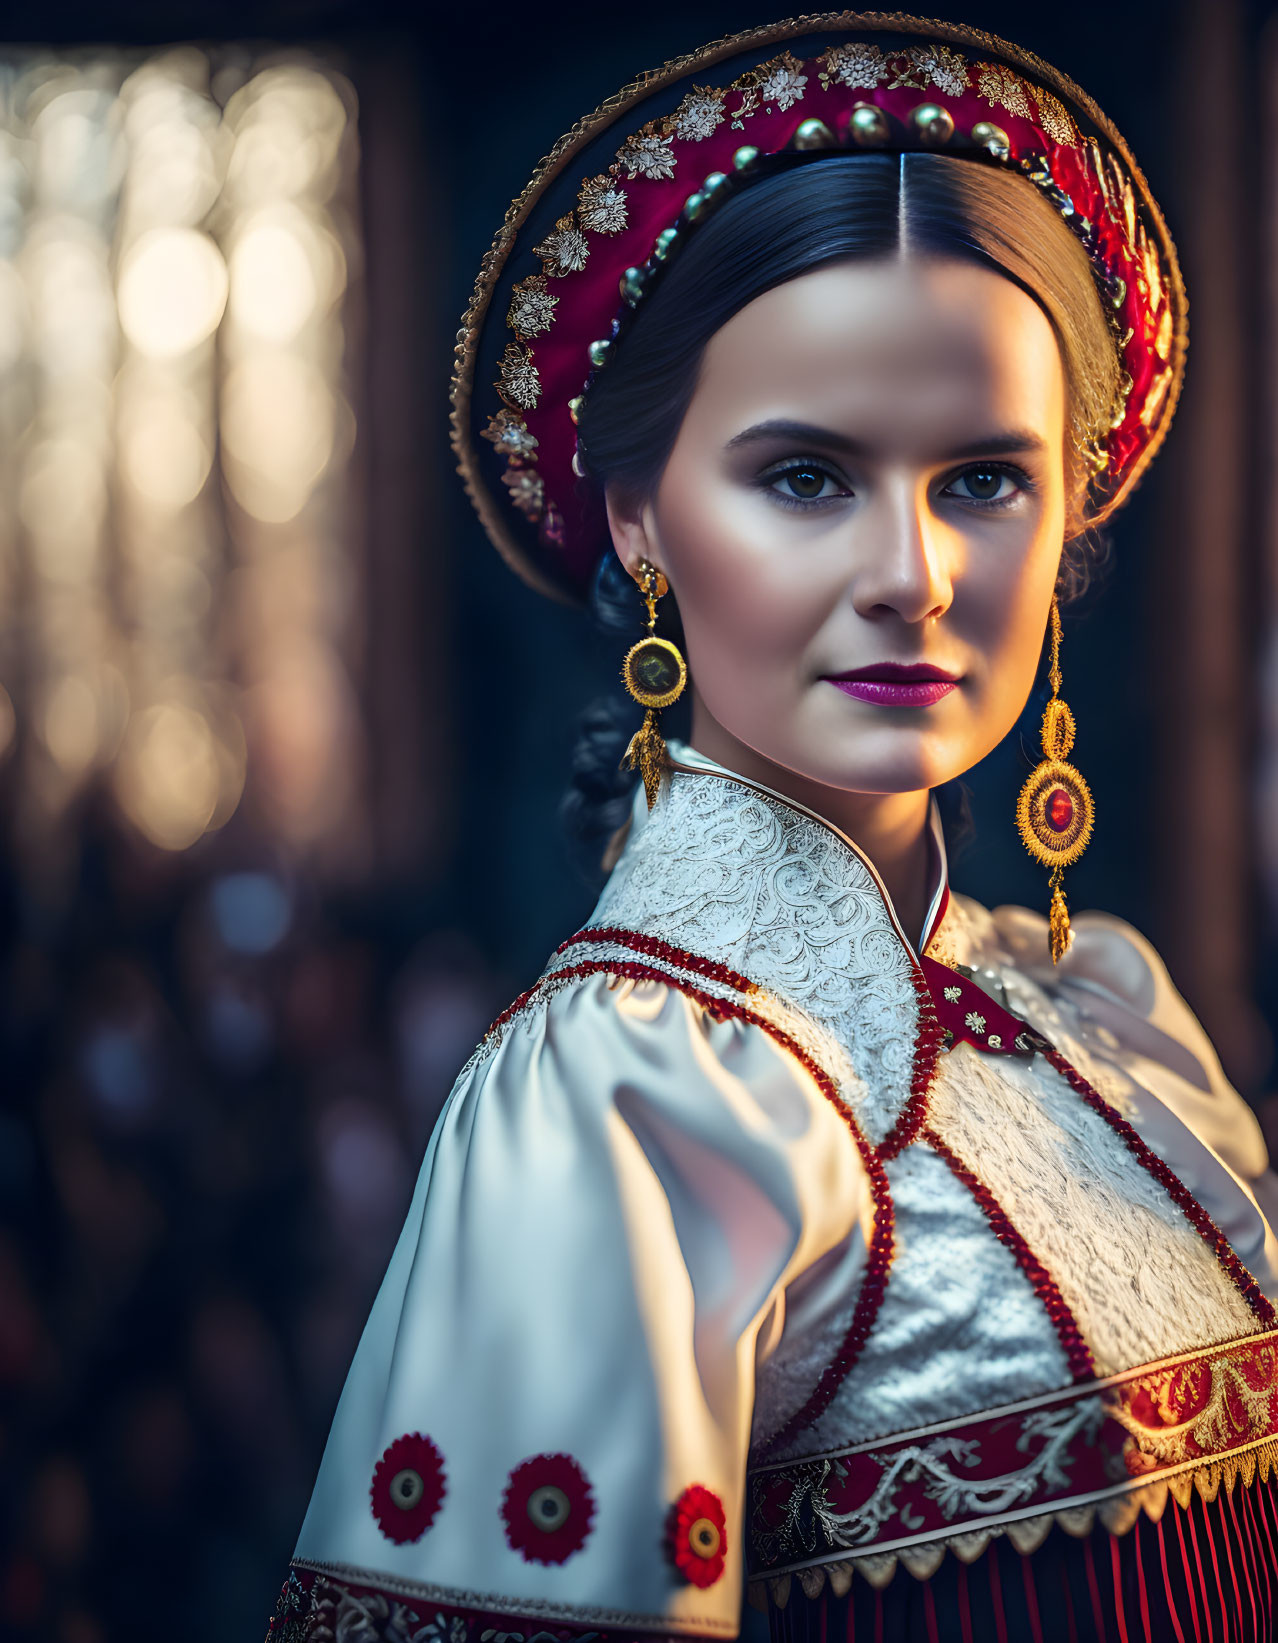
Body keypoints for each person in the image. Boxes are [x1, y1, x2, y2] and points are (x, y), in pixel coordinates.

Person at [265, 14, 1278, 1642]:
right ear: (642, 518)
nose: (914, 574)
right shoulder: (626, 1096)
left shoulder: (1108, 1012)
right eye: (807, 477)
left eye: (982, 482)